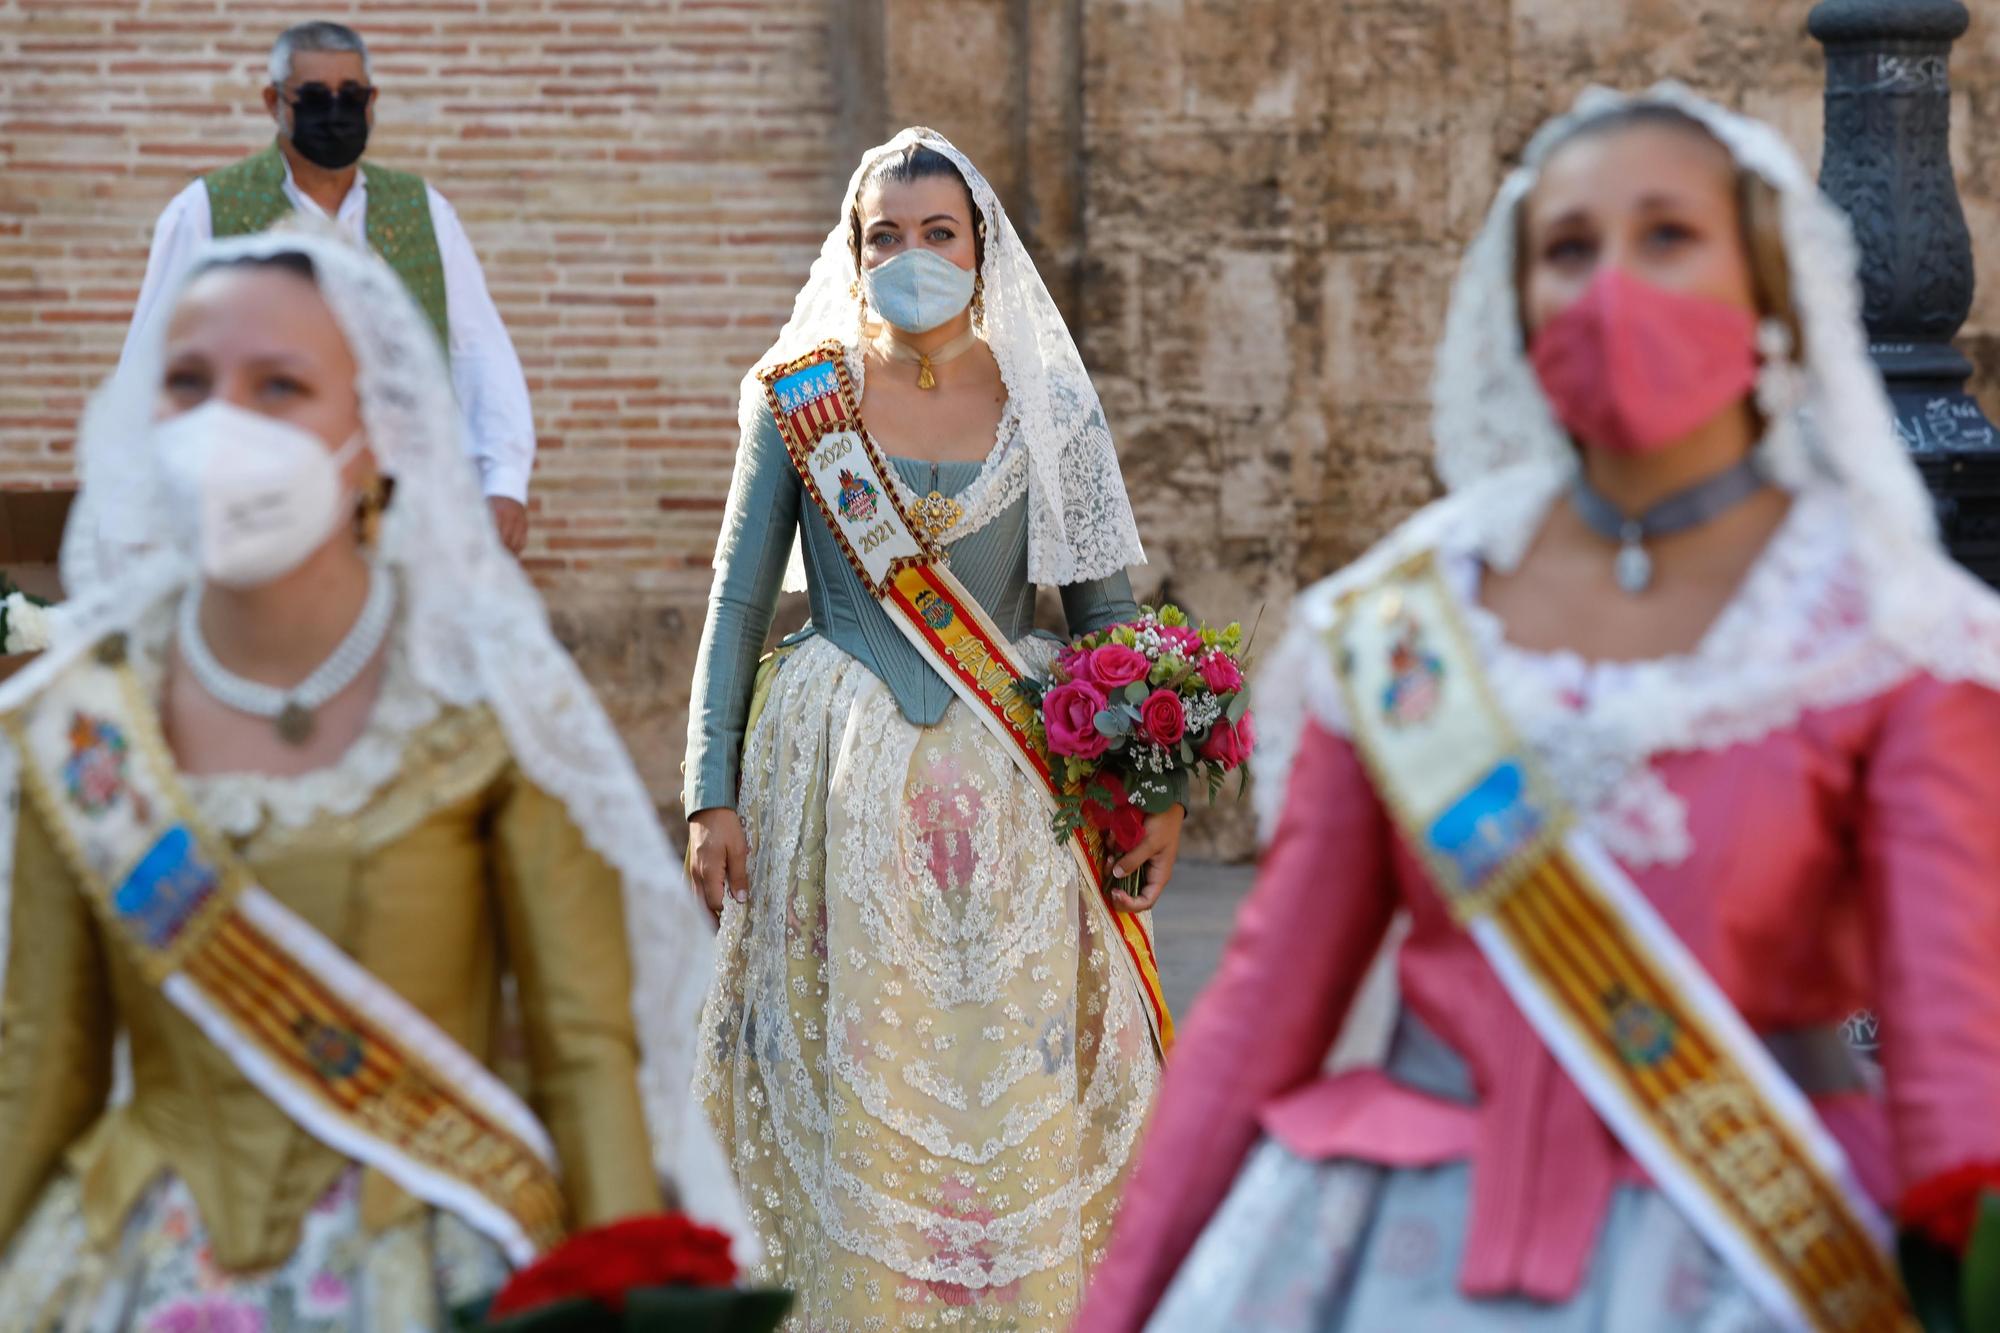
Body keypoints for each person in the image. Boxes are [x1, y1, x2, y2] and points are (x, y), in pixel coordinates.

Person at [1076, 83, 2000, 1333]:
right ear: (1517, 303)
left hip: (1753, 1252)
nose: (1611, 282)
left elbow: (1957, 1068)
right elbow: (1256, 1018)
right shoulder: (1403, 625)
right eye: (1567, 248)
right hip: (1395, 1252)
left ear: (1768, 287)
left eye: (1665, 234)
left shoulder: (1884, 637)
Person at [0, 222, 746, 1328]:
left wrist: (623, 1291)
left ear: (376, 433)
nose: (223, 425)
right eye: (189, 383)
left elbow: (584, 1051)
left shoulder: (475, 706)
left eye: (280, 385)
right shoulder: (82, 720)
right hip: (133, 1260)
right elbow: (40, 1060)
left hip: (416, 1251)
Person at [683, 128, 1175, 1330]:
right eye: (884, 236)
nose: (911, 254)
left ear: (980, 245)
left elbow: (1106, 610)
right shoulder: (800, 402)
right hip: (830, 783)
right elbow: (742, 598)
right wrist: (708, 788)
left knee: (1005, 1059)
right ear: (853, 254)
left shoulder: (1048, 400)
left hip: (1012, 788)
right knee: (853, 1056)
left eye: (935, 232)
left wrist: (1152, 789)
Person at [121, 20, 537, 556]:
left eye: (352, 96)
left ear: (372, 102)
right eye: (315, 97)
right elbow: (153, 364)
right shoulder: (205, 211)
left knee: (397, 635)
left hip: (407, 500)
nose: (336, 111)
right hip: (255, 502)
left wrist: (503, 480)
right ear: (275, 102)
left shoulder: (424, 211)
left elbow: (479, 349)